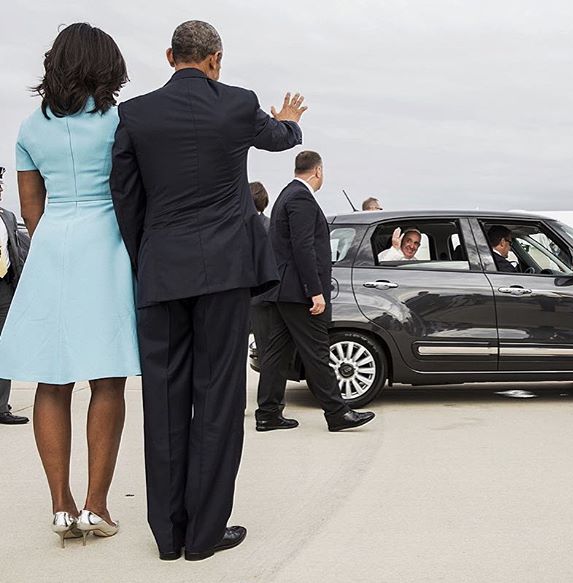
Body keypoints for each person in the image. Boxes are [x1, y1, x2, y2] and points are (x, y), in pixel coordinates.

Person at [110, 20, 304, 561]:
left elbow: (125, 196)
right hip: (223, 273)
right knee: (217, 398)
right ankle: (205, 533)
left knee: (163, 401)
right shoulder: (239, 104)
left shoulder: (135, 113)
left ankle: (167, 536)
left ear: (171, 55)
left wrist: (146, 255)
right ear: (216, 59)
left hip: (161, 271)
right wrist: (289, 121)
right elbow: (279, 137)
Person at [0, 23, 140, 546]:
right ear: (107, 66)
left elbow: (31, 211)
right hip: (106, 248)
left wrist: (55, 239)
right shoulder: (118, 122)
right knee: (107, 379)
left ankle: (59, 506)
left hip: (53, 248)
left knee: (51, 379)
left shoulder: (30, 127)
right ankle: (96, 506)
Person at [255, 151, 375, 432]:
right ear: (318, 170)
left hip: (284, 291)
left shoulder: (287, 193)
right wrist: (315, 291)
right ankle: (337, 413)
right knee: (318, 351)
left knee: (276, 353)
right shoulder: (301, 198)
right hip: (299, 293)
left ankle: (268, 414)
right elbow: (303, 247)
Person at [0, 165, 30, 425]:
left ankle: (1, 408)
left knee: (4, 348)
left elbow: (19, 247)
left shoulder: (8, 217)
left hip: (4, 288)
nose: (0, 190)